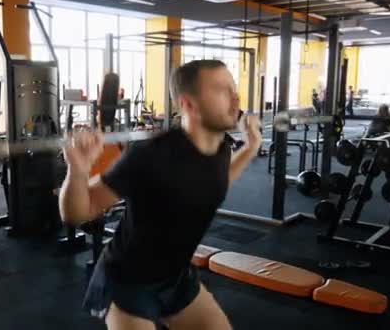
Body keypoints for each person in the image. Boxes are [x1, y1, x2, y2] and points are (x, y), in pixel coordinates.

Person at [59, 60, 261, 330]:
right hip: (127, 282)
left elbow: (215, 181)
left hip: (175, 278)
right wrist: (78, 170)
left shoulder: (221, 148)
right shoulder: (151, 156)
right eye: (221, 89)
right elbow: (78, 213)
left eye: (233, 88)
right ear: (189, 104)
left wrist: (250, 147)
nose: (235, 97)